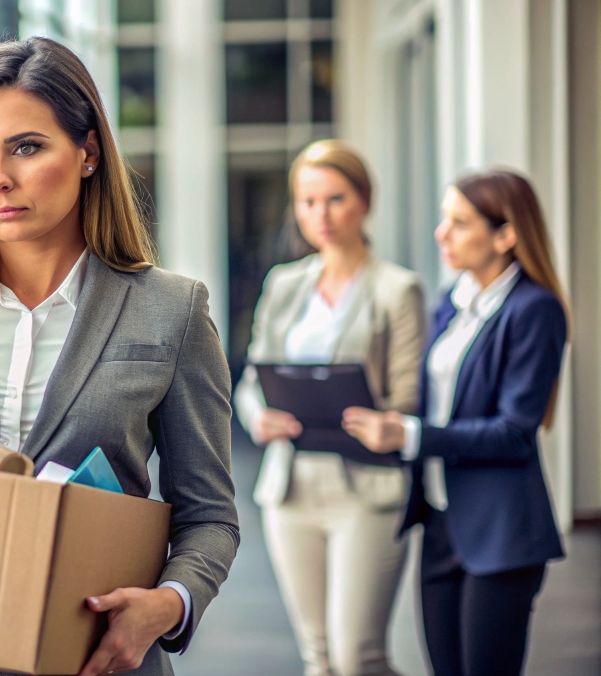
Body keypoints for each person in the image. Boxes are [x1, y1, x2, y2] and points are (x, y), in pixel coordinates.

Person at [0, 37, 238, 676]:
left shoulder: (172, 310)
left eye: (26, 147)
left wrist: (169, 603)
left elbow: (210, 517)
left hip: (90, 657)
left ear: (87, 154)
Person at [344, 170, 568, 676]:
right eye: (445, 219)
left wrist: (410, 435)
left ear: (506, 234)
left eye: (459, 222)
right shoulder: (453, 299)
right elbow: (437, 400)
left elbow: (514, 432)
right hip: (442, 522)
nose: (441, 233)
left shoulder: (535, 310)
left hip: (500, 531)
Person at [234, 140, 426, 675]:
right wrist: (257, 416)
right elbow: (252, 379)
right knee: (318, 657)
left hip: (365, 489)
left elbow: (407, 399)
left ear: (365, 201)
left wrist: (383, 422)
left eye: (335, 199)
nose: (320, 215)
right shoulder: (285, 283)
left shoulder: (397, 289)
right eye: (308, 201)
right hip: (291, 488)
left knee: (356, 656)